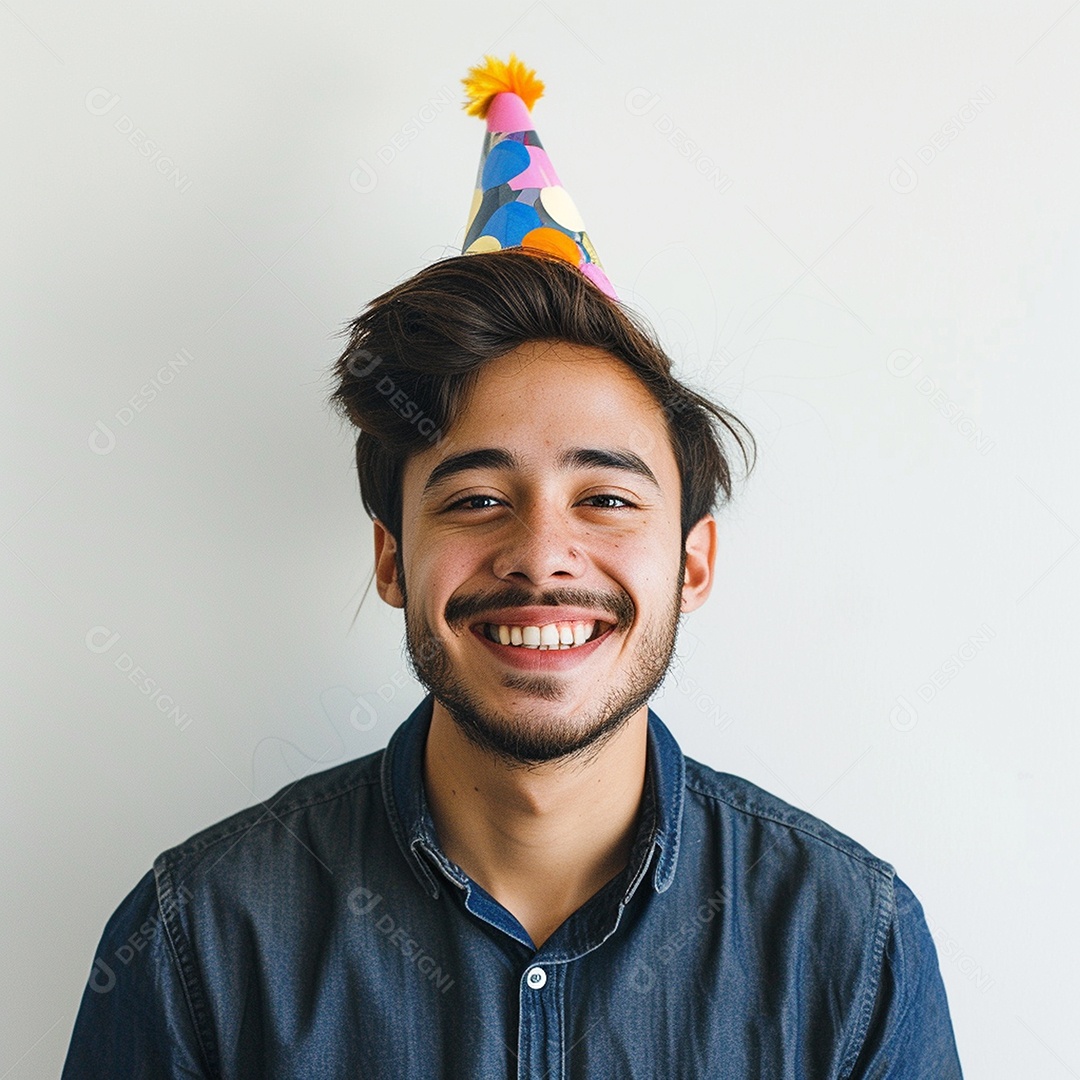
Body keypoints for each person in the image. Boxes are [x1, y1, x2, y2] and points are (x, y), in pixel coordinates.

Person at [63, 57, 963, 1079]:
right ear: (392, 559)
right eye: (477, 499)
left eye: (606, 499)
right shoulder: (198, 941)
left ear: (693, 563)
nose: (540, 556)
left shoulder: (851, 947)